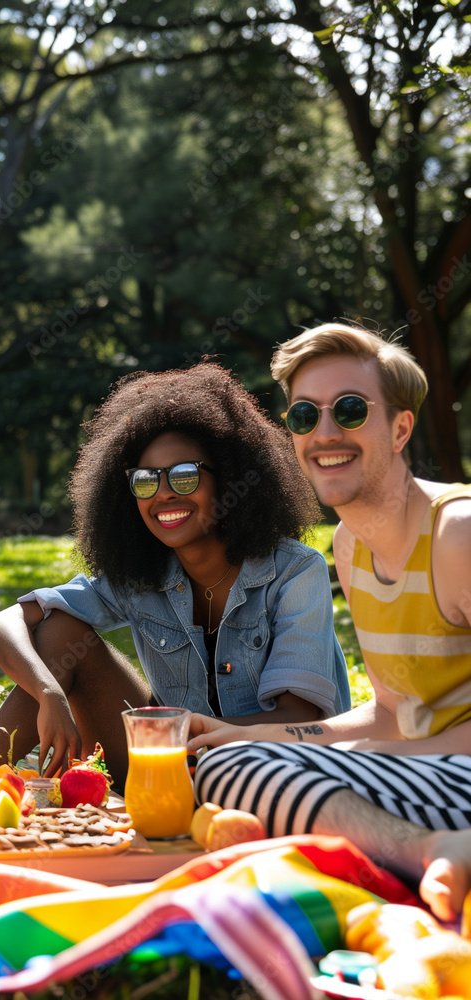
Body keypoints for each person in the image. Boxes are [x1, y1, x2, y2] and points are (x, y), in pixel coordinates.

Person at [0, 364, 350, 784]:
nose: (163, 493)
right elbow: (5, 622)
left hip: (271, 771)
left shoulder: (294, 572)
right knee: (61, 631)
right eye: (145, 481)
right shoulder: (143, 575)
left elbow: (299, 718)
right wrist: (48, 692)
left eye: (184, 476)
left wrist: (186, 737)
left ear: (231, 480)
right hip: (165, 765)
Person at [191, 322, 471, 851]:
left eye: (350, 410)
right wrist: (252, 734)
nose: (324, 435)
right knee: (224, 763)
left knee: (248, 777)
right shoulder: (350, 545)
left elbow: (391, 740)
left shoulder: (457, 535)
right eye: (304, 416)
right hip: (429, 776)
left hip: (456, 777)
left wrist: (359, 757)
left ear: (400, 430)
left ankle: (429, 853)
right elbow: (391, 713)